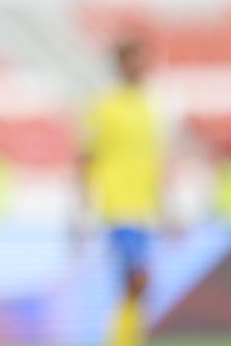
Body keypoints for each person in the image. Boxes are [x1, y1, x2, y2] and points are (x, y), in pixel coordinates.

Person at [82, 38, 168, 346]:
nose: (142, 67)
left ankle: (128, 339)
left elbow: (155, 162)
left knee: (137, 286)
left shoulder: (148, 106)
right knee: (136, 279)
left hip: (144, 210)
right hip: (118, 207)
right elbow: (88, 157)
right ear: (121, 65)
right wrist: (83, 208)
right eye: (136, 61)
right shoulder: (105, 105)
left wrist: (167, 209)